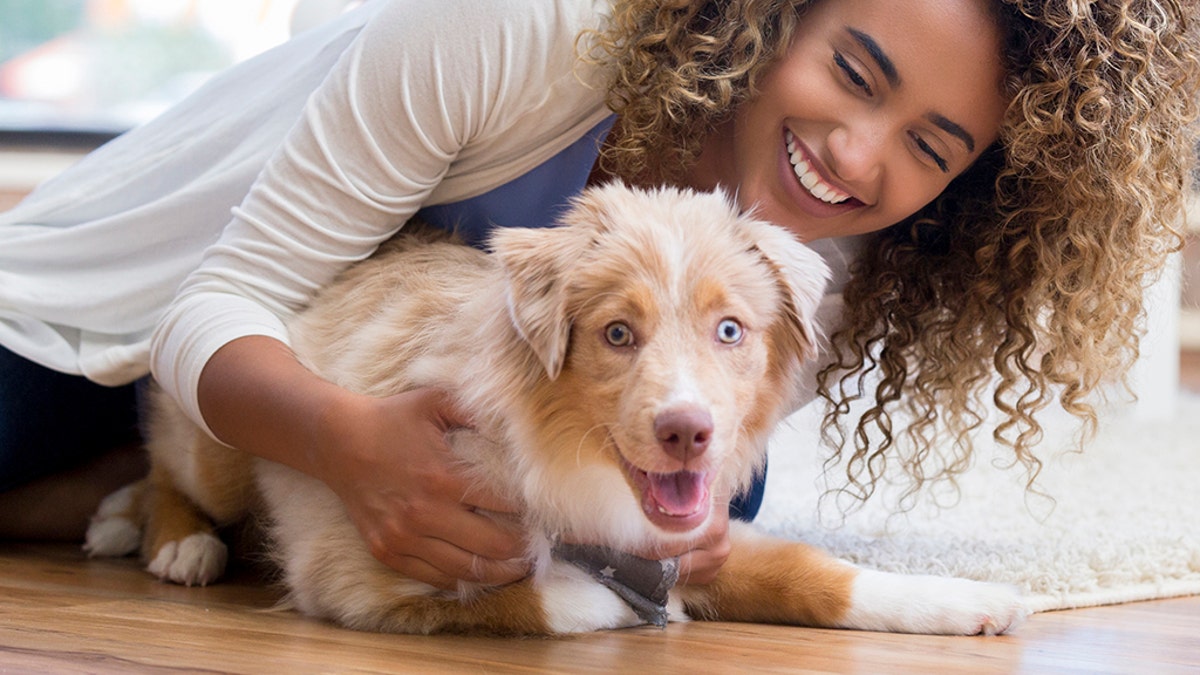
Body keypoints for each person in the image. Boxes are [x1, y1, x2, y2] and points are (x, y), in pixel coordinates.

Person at [1, 0, 1196, 592]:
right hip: (102, 312)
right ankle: (140, 474)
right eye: (853, 71)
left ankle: (158, 493)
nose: (858, 156)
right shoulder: (515, 30)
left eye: (929, 149)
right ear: (776, 11)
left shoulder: (820, 230)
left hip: (327, 352)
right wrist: (348, 445)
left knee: (718, 475)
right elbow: (215, 302)